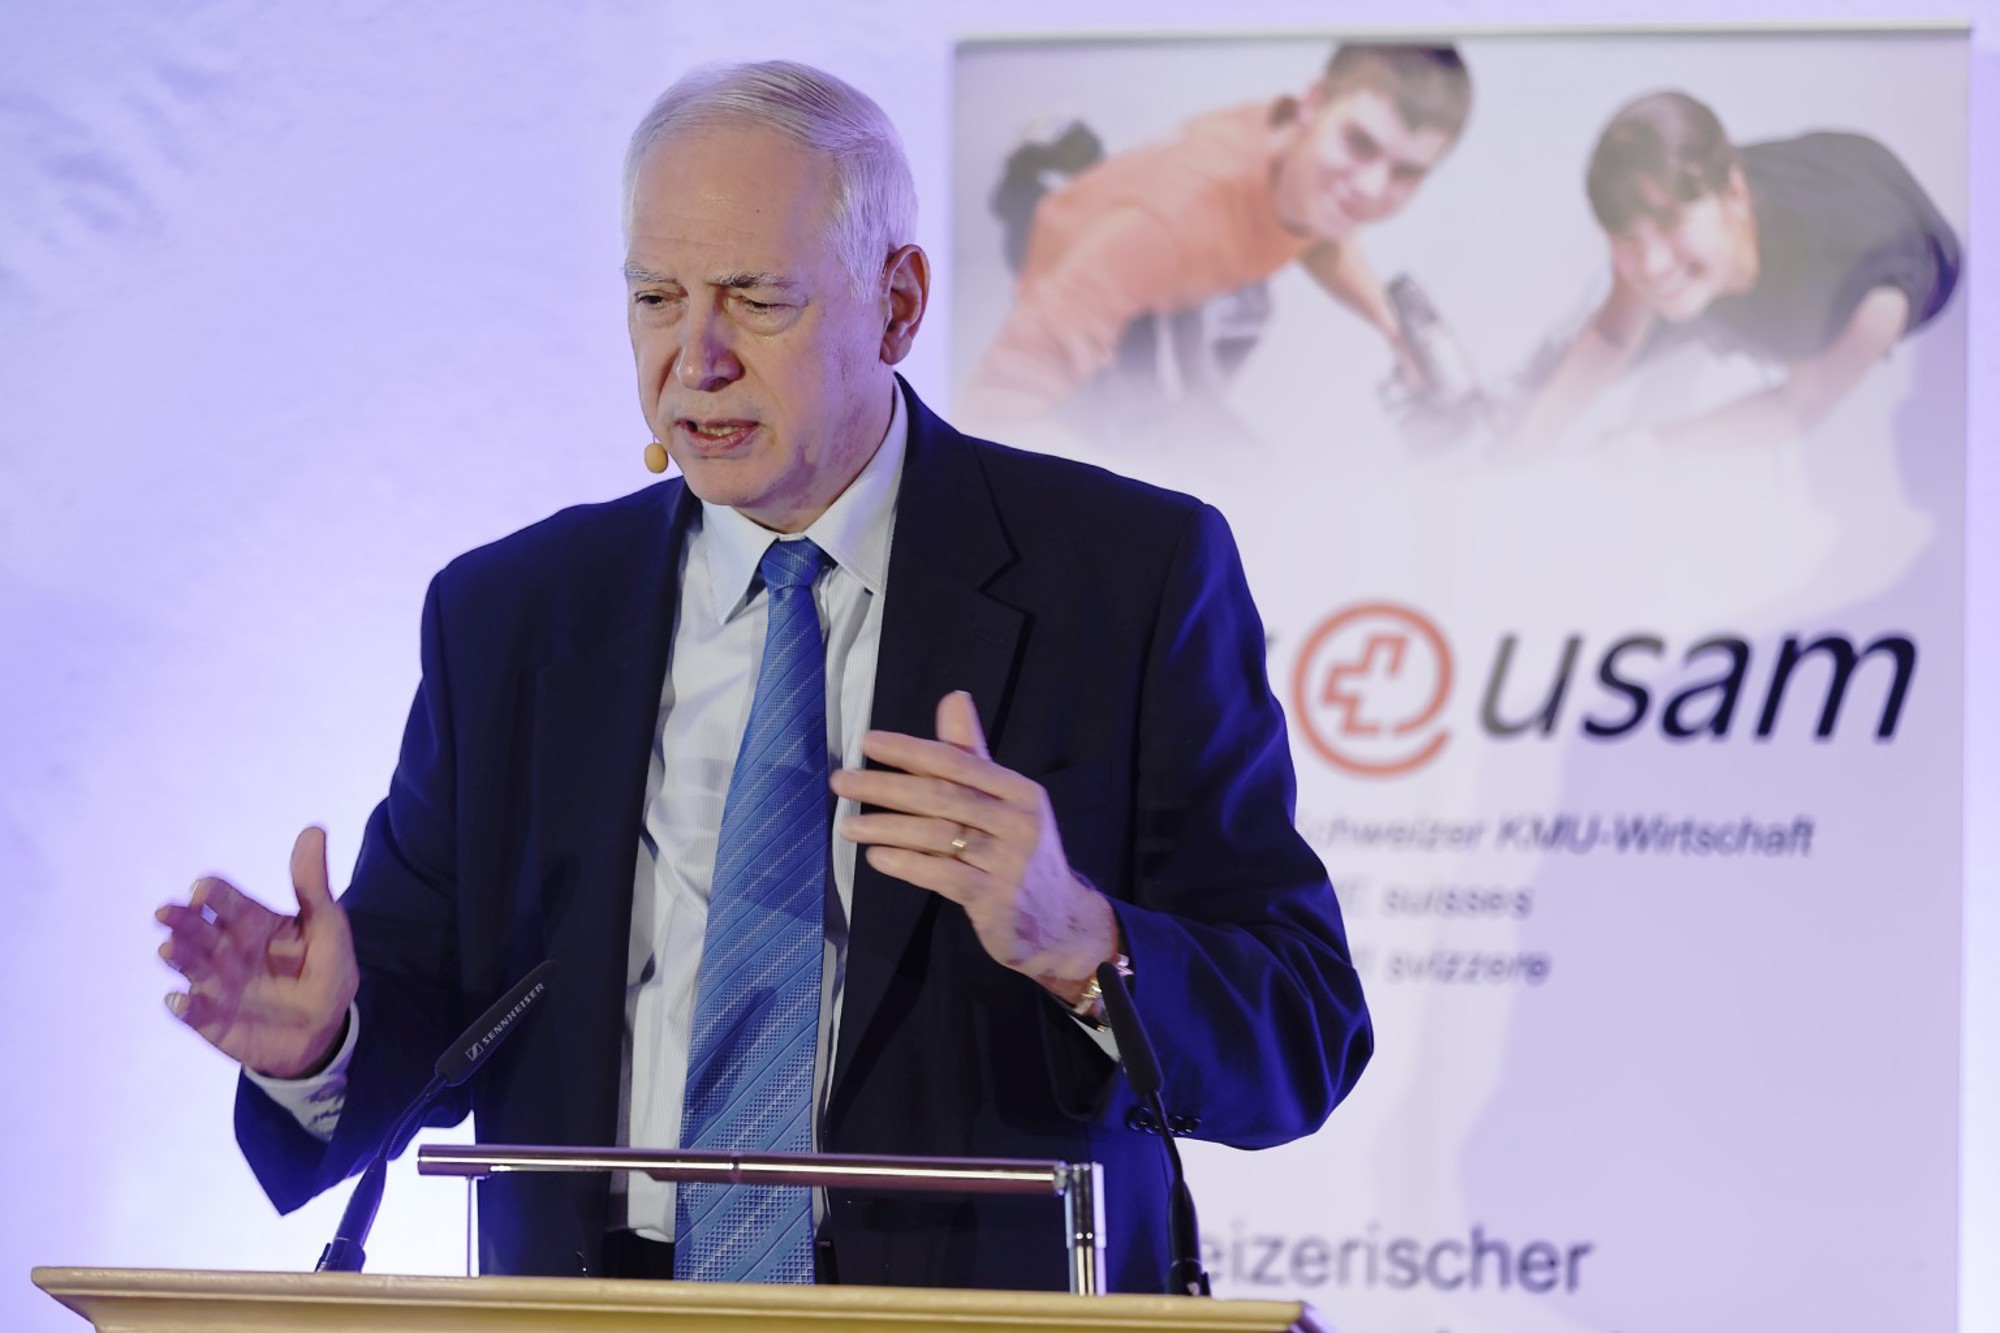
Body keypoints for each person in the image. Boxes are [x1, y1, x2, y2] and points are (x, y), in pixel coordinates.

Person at [154, 60, 1369, 1293]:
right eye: (655, 297)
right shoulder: (511, 615)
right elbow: (425, 1004)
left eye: (756, 298)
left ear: (896, 305)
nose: (696, 358)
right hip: (594, 1310)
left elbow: (1303, 1028)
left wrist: (1080, 940)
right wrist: (318, 1045)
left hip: (975, 1312)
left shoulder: (1125, 577)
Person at [960, 43, 1471, 424]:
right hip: (1071, 242)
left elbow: (1320, 235)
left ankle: (1084, 154)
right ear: (1312, 103)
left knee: (1242, 308)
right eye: (1359, 144)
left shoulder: (1306, 165)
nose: (1369, 188)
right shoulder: (1163, 226)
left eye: (1406, 172)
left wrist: (1391, 327)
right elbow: (996, 403)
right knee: (1028, 207)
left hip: (1154, 228)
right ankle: (1040, 161)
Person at [1508, 90, 1961, 454]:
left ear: (1736, 195)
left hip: (1904, 252)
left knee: (1694, 331)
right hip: (1808, 177)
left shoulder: (1867, 299)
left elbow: (1796, 411)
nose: (1651, 264)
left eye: (1670, 223)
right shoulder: (1661, 213)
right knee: (1598, 333)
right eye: (1626, 236)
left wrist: (1663, 444)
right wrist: (1526, 443)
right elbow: (1612, 337)